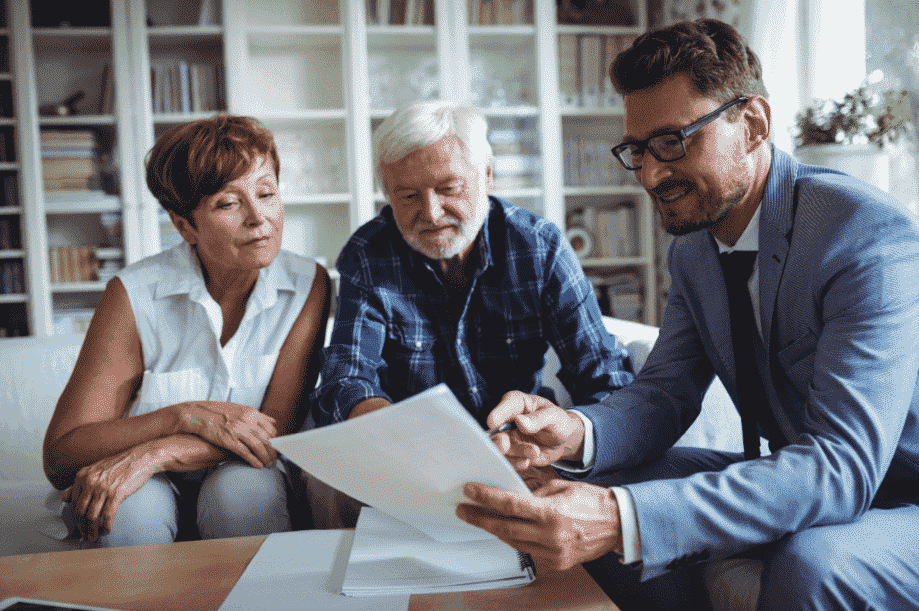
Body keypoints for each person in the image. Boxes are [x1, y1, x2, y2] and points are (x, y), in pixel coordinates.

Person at [456, 18, 919, 611]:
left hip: (897, 492)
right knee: (592, 482)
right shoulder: (695, 252)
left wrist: (623, 520)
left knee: (814, 567)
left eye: (674, 142)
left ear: (752, 124)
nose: (651, 175)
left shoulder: (863, 236)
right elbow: (662, 396)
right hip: (802, 476)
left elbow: (840, 467)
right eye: (637, 150)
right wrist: (574, 432)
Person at [307, 100, 634, 525]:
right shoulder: (368, 254)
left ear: (486, 176)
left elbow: (605, 378)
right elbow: (347, 376)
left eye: (447, 188)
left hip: (518, 455)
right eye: (407, 195)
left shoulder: (540, 248)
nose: (430, 212)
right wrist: (389, 430)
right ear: (387, 194)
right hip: (409, 464)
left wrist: (563, 442)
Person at [43, 116, 331, 547]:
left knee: (243, 493)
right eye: (228, 204)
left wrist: (157, 451)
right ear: (185, 227)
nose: (259, 219)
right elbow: (63, 455)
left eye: (267, 193)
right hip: (146, 482)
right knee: (128, 514)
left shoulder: (309, 283)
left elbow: (277, 429)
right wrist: (182, 416)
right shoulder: (134, 294)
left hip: (244, 468)